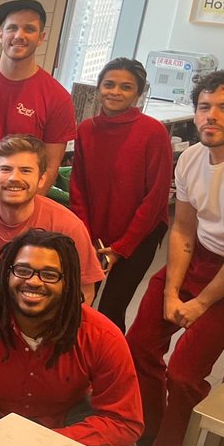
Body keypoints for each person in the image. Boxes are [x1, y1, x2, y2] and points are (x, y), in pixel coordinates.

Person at [126, 70, 224, 446]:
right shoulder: (189, 158)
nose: (211, 116)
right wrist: (172, 291)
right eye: (204, 107)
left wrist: (199, 304)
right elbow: (183, 230)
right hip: (199, 255)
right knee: (138, 345)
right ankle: (148, 426)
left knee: (185, 373)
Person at [0, 229, 143, 446]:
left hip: (67, 419)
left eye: (49, 274)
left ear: (68, 282)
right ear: (6, 274)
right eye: (23, 270)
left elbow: (124, 421)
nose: (33, 282)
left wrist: (45, 445)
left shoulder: (103, 335)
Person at [69, 58, 173, 332]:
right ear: (99, 87)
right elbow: (78, 186)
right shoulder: (86, 129)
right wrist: (86, 237)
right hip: (94, 234)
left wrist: (121, 248)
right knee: (76, 302)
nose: (115, 92)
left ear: (138, 93)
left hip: (139, 237)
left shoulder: (153, 132)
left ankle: (110, 369)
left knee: (111, 309)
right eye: (109, 84)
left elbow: (155, 198)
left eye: (126, 87)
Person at [0, 135, 104, 307]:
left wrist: (56, 328)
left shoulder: (68, 226)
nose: (14, 178)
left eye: (26, 170)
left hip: (52, 312)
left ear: (42, 179)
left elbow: (85, 290)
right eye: (5, 169)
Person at [0, 0, 76, 208]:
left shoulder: (57, 98)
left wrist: (22, 211)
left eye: (29, 29)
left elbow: (49, 167)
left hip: (16, 210)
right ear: (0, 34)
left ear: (41, 38)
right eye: (12, 27)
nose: (19, 36)